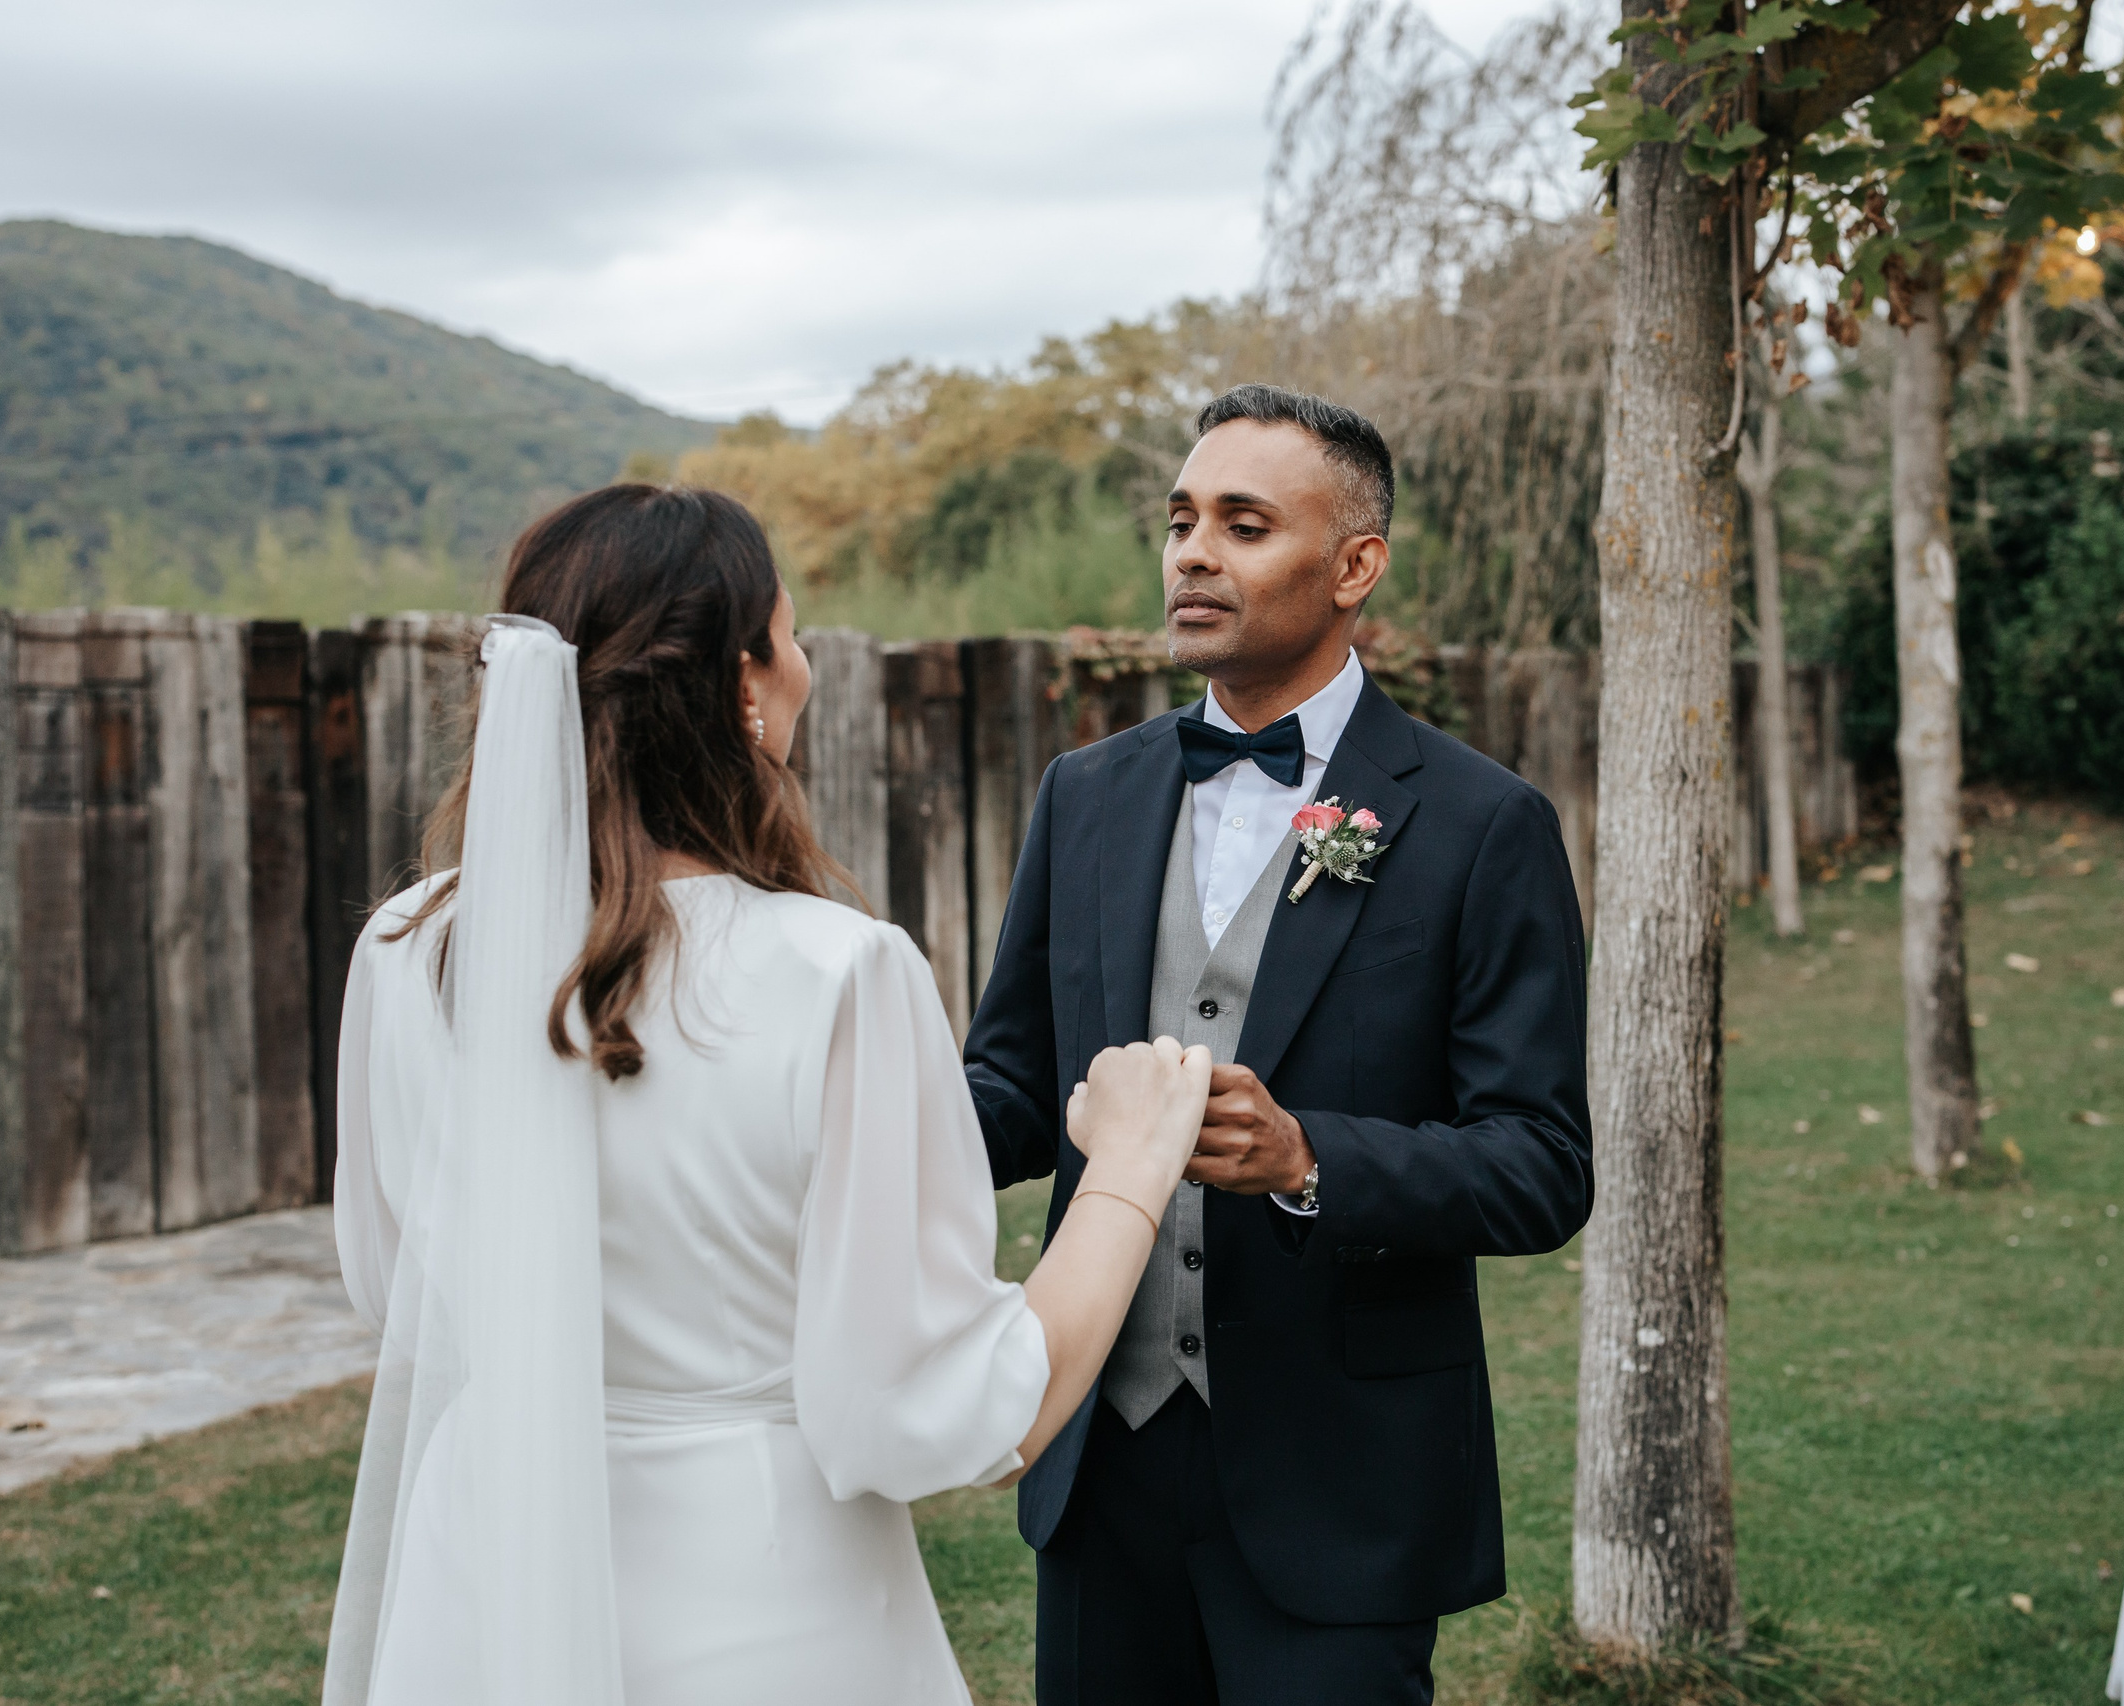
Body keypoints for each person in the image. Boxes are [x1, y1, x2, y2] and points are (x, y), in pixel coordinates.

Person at [323, 484, 1215, 1706]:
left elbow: (393, 1283)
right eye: (791, 634)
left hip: (482, 1582)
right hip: (758, 1601)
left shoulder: (402, 948)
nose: (803, 665)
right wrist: (1129, 1158)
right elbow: (934, 1409)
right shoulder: (837, 971)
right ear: (745, 684)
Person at [966, 383, 1595, 1704]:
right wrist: (849, 1126)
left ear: (1355, 563)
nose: (1193, 552)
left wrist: (1312, 1156)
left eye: (1243, 525)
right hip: (1099, 1453)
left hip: (1341, 1477)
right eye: (1183, 518)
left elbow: (1541, 1165)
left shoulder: (1484, 826)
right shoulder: (1085, 795)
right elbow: (1016, 1085)